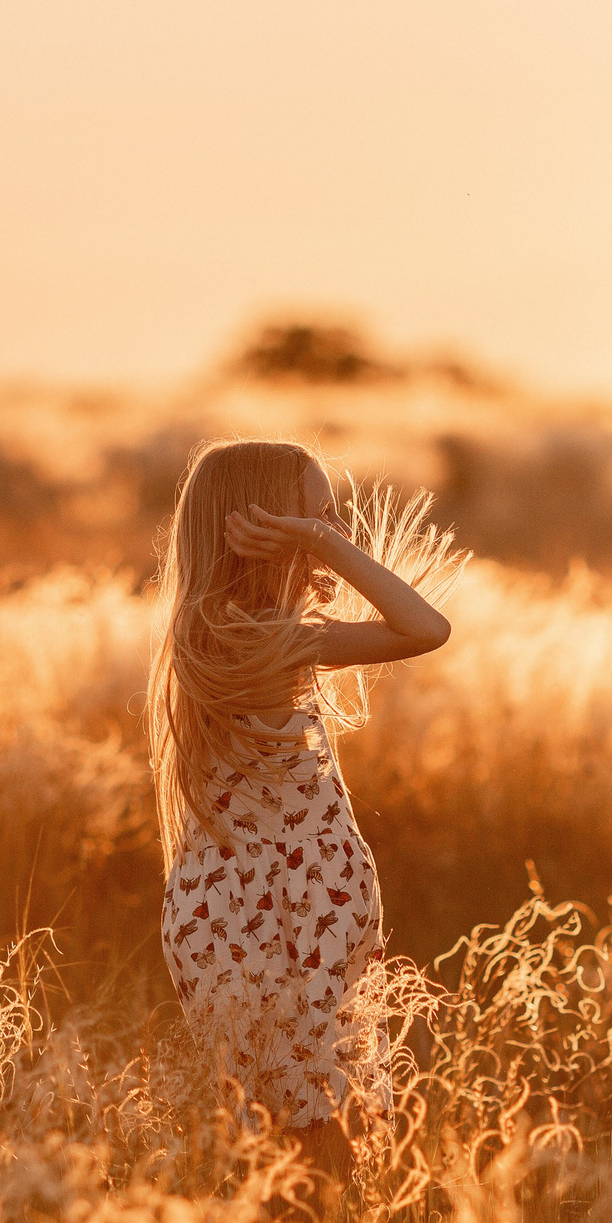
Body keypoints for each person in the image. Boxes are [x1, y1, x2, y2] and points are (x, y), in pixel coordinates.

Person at [149, 439, 463, 1175]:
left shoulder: (242, 632)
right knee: (311, 1158)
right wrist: (317, 544)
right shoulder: (249, 640)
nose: (333, 535)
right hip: (272, 927)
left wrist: (314, 538)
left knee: (299, 1152)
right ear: (259, 532)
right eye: (314, 520)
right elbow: (427, 628)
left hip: (285, 920)